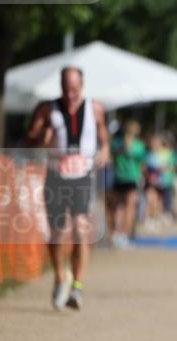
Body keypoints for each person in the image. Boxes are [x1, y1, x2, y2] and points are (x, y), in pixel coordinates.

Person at [26, 66, 110, 310]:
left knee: (81, 230)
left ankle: (77, 288)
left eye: (74, 89)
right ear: (60, 87)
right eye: (66, 88)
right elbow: (29, 138)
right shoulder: (47, 109)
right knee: (57, 233)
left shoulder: (95, 108)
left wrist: (105, 151)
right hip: (55, 176)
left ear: (82, 86)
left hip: (82, 177)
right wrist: (41, 138)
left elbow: (104, 138)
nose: (70, 94)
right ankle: (60, 277)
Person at [109, 120, 146, 249]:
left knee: (118, 207)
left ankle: (116, 234)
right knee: (130, 207)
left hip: (118, 177)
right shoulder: (139, 146)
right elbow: (141, 164)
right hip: (132, 178)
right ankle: (124, 236)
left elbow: (112, 159)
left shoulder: (115, 143)